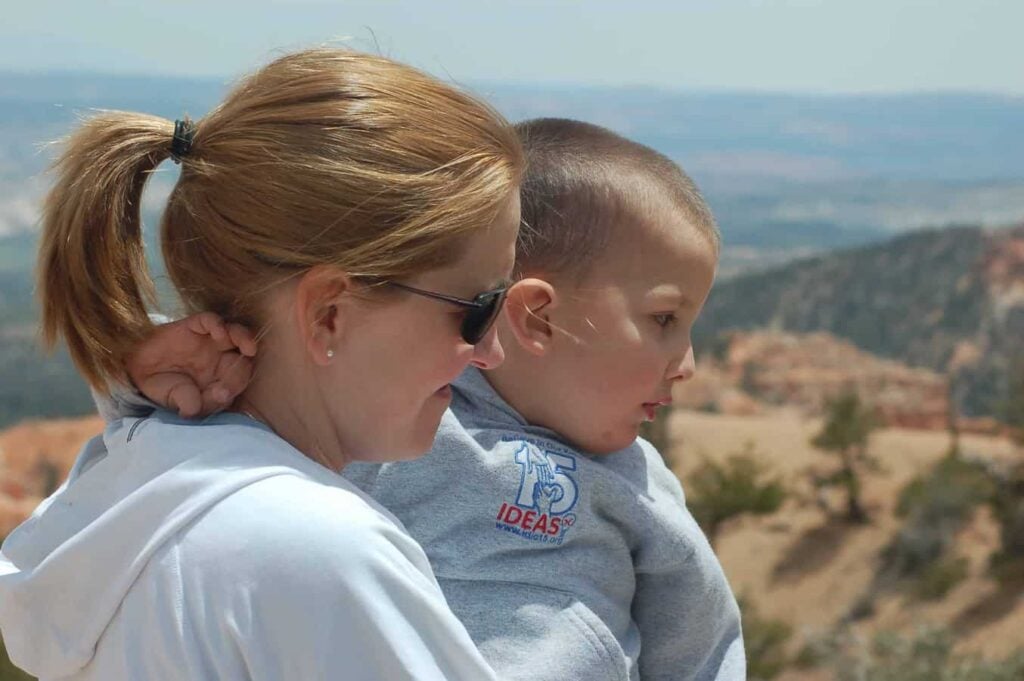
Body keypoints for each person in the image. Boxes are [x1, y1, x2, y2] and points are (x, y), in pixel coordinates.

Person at [113, 118, 746, 681]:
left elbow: (701, 642)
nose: (687, 364)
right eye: (665, 320)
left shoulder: (638, 483)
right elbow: (204, 407)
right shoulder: (402, 411)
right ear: (538, 320)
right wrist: (137, 370)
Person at [0, 48, 524, 681]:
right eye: (478, 308)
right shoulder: (320, 552)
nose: (492, 352)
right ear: (330, 312)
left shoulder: (136, 499)